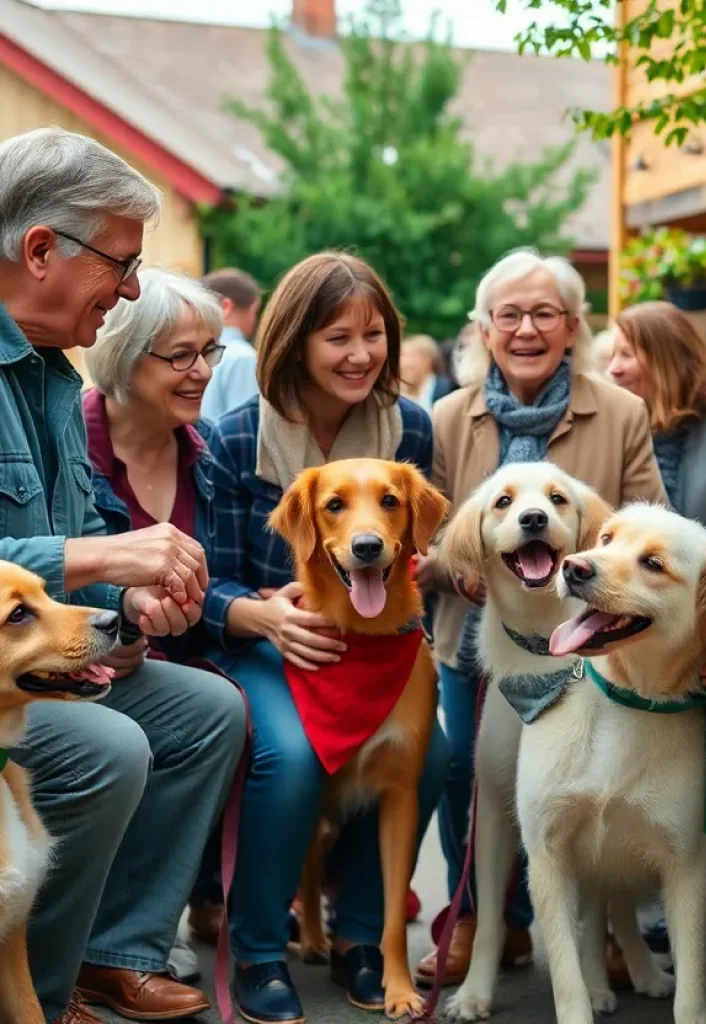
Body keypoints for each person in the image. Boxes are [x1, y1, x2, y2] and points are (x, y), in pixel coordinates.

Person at [0, 126, 246, 1024]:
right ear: (38, 251)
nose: (134, 289)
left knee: (208, 710)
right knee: (110, 748)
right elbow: (83, 546)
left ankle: (113, 953)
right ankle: (40, 990)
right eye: (121, 262)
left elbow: (80, 536)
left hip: (30, 667)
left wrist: (129, 601)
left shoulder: (52, 377)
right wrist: (105, 559)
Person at [203, 251, 449, 1023]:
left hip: (385, 643)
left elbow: (413, 547)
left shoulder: (408, 425)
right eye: (337, 336)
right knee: (292, 755)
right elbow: (208, 576)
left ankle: (362, 940)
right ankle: (259, 950)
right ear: (295, 342)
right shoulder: (237, 438)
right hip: (272, 642)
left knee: (435, 754)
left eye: (374, 334)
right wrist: (263, 614)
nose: (361, 354)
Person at [414, 247, 667, 985]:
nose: (526, 328)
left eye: (545, 314)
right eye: (509, 314)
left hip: (593, 642)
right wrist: (456, 563)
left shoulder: (619, 411)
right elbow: (427, 531)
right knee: (470, 772)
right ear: (484, 328)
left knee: (594, 783)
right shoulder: (447, 416)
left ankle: (603, 931)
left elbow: (648, 520)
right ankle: (480, 923)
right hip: (481, 638)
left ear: (572, 326)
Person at [82, 266, 227, 986]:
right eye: (181, 355)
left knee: (222, 707)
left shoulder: (209, 455)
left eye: (211, 352)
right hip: (75, 658)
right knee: (131, 735)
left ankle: (135, 937)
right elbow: (52, 569)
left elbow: (219, 587)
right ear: (124, 353)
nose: (201, 371)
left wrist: (211, 609)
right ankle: (100, 936)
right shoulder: (74, 439)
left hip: (172, 657)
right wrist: (122, 622)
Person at [608, 300, 706, 533]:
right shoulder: (620, 422)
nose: (613, 369)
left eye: (626, 355)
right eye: (612, 356)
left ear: (665, 361)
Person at [200, 267, 262, 421]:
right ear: (225, 307)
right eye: (254, 312)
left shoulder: (195, 354)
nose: (254, 321)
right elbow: (245, 425)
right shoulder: (243, 357)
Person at [399, 333, 456, 410]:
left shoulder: (449, 391)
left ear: (428, 362)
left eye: (411, 356)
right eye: (402, 356)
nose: (404, 363)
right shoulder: (397, 396)